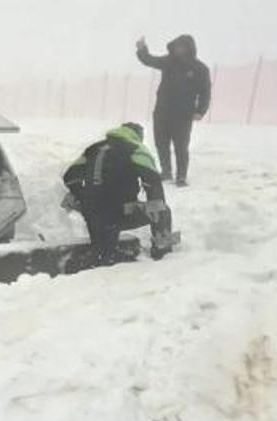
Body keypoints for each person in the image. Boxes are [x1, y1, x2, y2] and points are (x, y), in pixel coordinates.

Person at [62, 122, 174, 263]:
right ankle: (162, 251)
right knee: (164, 210)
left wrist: (82, 196)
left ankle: (105, 249)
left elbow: (69, 177)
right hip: (121, 210)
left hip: (91, 212)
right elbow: (152, 180)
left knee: (104, 248)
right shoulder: (136, 148)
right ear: (138, 135)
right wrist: (156, 206)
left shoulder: (93, 148)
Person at [136, 34, 211, 186]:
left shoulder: (200, 68)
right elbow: (149, 60)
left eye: (182, 46)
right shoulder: (168, 62)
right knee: (161, 143)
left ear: (189, 48)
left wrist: (200, 110)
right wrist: (142, 49)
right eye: (177, 46)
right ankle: (166, 171)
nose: (178, 49)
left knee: (181, 146)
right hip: (162, 111)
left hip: (183, 114)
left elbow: (205, 91)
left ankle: (181, 176)